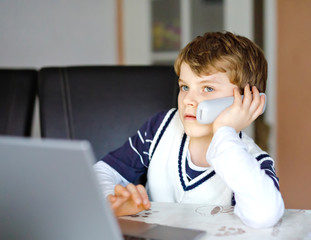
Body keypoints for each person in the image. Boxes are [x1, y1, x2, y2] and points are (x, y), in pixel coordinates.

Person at [94, 31, 284, 228]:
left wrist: (225, 131)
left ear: (248, 100)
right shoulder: (161, 126)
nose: (188, 100)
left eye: (207, 88)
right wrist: (113, 200)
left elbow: (265, 215)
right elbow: (103, 171)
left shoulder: (251, 162)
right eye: (184, 87)